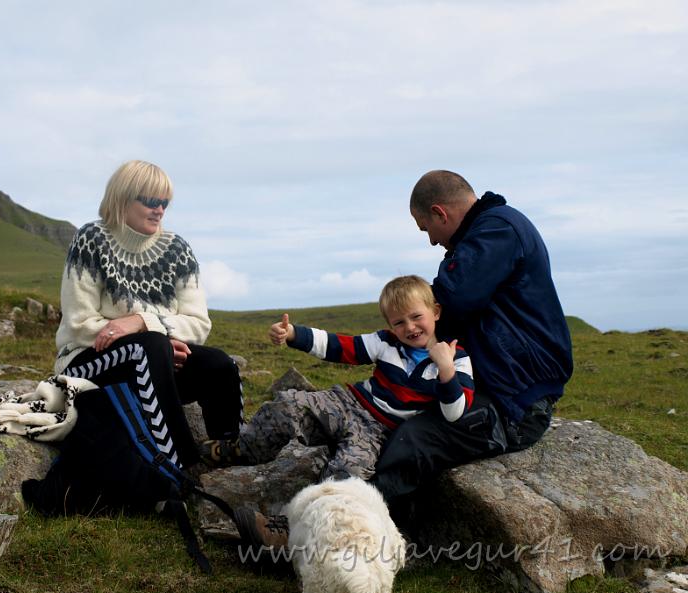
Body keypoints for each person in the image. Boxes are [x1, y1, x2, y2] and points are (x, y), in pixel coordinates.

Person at [225, 275, 484, 547]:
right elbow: (341, 347)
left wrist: (446, 369)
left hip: (376, 432)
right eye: (398, 322)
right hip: (348, 402)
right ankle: (243, 450)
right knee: (287, 406)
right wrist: (293, 334)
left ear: (436, 312)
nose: (409, 327)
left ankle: (288, 532)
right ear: (390, 326)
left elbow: (455, 412)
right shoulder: (386, 342)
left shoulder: (457, 359)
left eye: (416, 316)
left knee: (345, 479)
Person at [370, 169, 574, 509]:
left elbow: (454, 298)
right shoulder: (488, 232)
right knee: (390, 413)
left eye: (427, 229)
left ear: (440, 213)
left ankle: (343, 524)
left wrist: (404, 325)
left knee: (414, 438)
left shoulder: (497, 231)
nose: (432, 241)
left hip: (516, 405)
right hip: (501, 388)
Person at [54, 159, 243, 469]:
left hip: (157, 361)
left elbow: (199, 324)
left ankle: (227, 450)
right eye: (151, 201)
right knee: (151, 349)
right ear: (123, 199)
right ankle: (183, 463)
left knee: (219, 363)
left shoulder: (177, 249)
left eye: (165, 202)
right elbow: (79, 324)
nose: (160, 210)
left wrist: (142, 322)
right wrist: (152, 339)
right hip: (87, 364)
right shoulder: (92, 240)